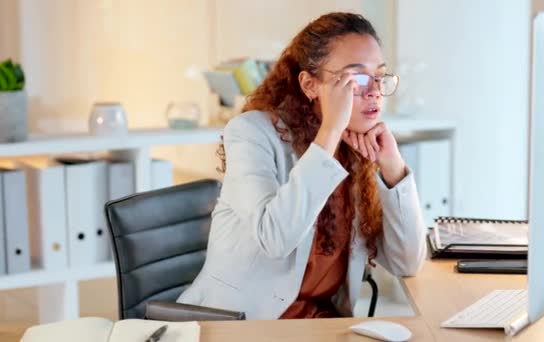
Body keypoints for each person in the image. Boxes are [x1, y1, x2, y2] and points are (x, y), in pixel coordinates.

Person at [178, 12, 427, 320]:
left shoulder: (357, 151)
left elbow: (407, 263)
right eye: (357, 78)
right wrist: (330, 132)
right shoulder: (251, 132)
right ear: (310, 84)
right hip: (243, 326)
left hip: (319, 326)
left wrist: (393, 166)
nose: (374, 90)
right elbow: (274, 238)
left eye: (380, 76)